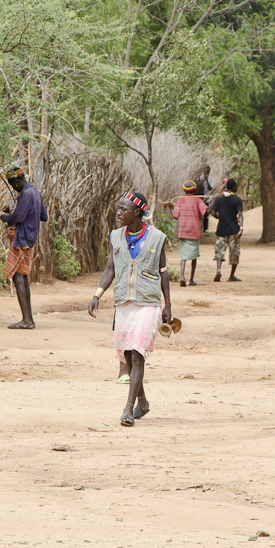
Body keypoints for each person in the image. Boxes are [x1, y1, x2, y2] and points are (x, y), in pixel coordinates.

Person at [88, 192, 171, 427]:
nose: (118, 213)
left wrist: (168, 305)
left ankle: (127, 408)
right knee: (127, 354)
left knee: (137, 353)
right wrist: (97, 295)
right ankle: (142, 402)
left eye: (123, 209)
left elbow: (163, 273)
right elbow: (109, 269)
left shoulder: (156, 238)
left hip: (149, 302)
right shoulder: (116, 237)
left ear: (137, 212)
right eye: (118, 208)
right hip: (124, 302)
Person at [0, 166, 48, 330]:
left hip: (21, 239)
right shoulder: (36, 193)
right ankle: (29, 319)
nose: (12, 187)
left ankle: (26, 320)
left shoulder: (26, 194)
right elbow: (44, 216)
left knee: (18, 276)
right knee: (23, 277)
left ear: (15, 181)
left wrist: (5, 217)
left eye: (12, 184)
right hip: (31, 239)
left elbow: (18, 217)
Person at [162, 180, 207, 287]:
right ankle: (191, 279)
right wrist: (214, 201)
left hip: (183, 232)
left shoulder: (180, 201)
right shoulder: (198, 200)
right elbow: (205, 212)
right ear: (194, 189)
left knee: (183, 257)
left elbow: (175, 216)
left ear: (184, 190)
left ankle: (182, 277)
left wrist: (170, 207)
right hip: (194, 232)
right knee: (194, 257)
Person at [211, 179, 244, 282]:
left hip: (221, 229)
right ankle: (231, 276)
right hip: (233, 229)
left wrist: (220, 217)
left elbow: (213, 213)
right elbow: (240, 214)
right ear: (233, 187)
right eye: (236, 185)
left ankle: (219, 269)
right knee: (234, 252)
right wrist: (241, 228)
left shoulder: (220, 200)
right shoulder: (237, 200)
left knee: (219, 251)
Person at [196, 165, 215, 233]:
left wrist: (207, 180)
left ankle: (205, 228)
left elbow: (210, 188)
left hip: (207, 198)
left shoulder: (211, 179)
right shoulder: (200, 178)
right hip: (200, 197)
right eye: (205, 171)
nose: (206, 172)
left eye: (208, 171)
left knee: (206, 213)